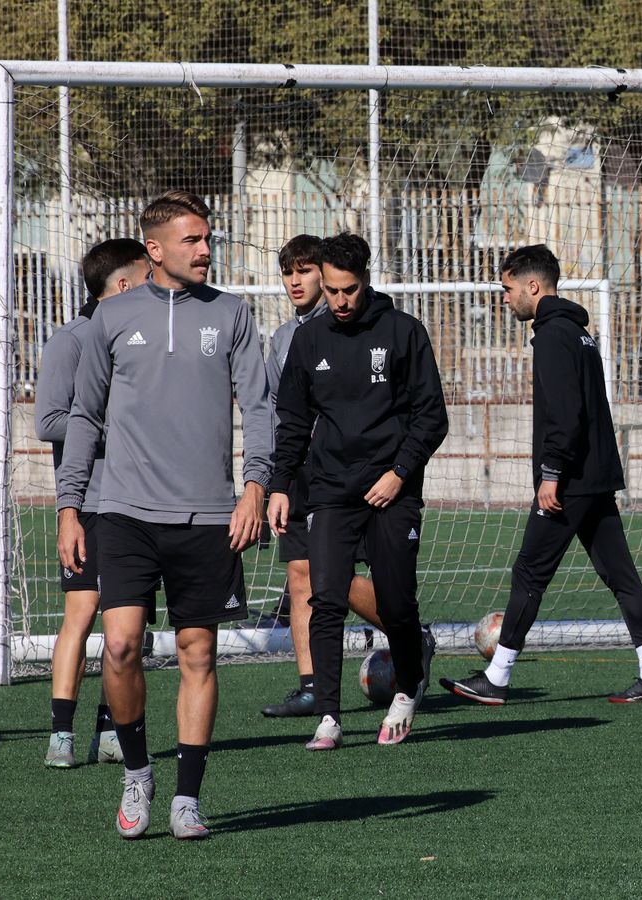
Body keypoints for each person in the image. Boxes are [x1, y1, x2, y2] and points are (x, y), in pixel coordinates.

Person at [57, 190, 271, 839]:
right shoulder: (112, 318)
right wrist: (70, 507)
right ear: (155, 248)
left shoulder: (232, 314)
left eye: (208, 239)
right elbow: (84, 417)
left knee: (197, 652)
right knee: (119, 646)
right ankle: (137, 771)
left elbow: (259, 408)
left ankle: (186, 797)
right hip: (120, 511)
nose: (206, 250)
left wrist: (256, 486)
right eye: (193, 240)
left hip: (208, 516)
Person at [441, 245, 642, 705]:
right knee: (620, 574)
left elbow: (565, 415)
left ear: (532, 286)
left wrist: (551, 474)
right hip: (597, 476)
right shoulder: (578, 333)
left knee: (530, 572)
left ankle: (498, 678)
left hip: (570, 481)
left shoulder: (551, 336)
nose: (504, 298)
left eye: (507, 289)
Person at [268, 233, 448, 749]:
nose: (340, 301)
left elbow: (430, 416)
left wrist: (399, 472)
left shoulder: (403, 332)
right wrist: (280, 485)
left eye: (349, 290)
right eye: (332, 290)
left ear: (365, 280)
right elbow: (293, 421)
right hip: (328, 491)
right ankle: (328, 715)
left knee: (396, 602)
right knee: (325, 600)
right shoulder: (310, 339)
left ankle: (409, 687)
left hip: (392, 489)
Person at [258, 234, 400, 719]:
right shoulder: (284, 338)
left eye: (305, 270)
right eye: (287, 272)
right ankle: (313, 685)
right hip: (297, 472)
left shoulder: (356, 327)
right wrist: (273, 478)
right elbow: (283, 413)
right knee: (300, 577)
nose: (295, 281)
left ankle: (406, 632)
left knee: (328, 578)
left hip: (342, 474)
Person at [35, 238, 150, 767]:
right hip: (89, 502)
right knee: (81, 613)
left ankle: (110, 729)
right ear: (123, 284)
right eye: (148, 274)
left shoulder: (143, 338)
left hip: (137, 502)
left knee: (127, 625)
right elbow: (50, 420)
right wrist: (112, 427)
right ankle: (61, 732)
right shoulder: (72, 340)